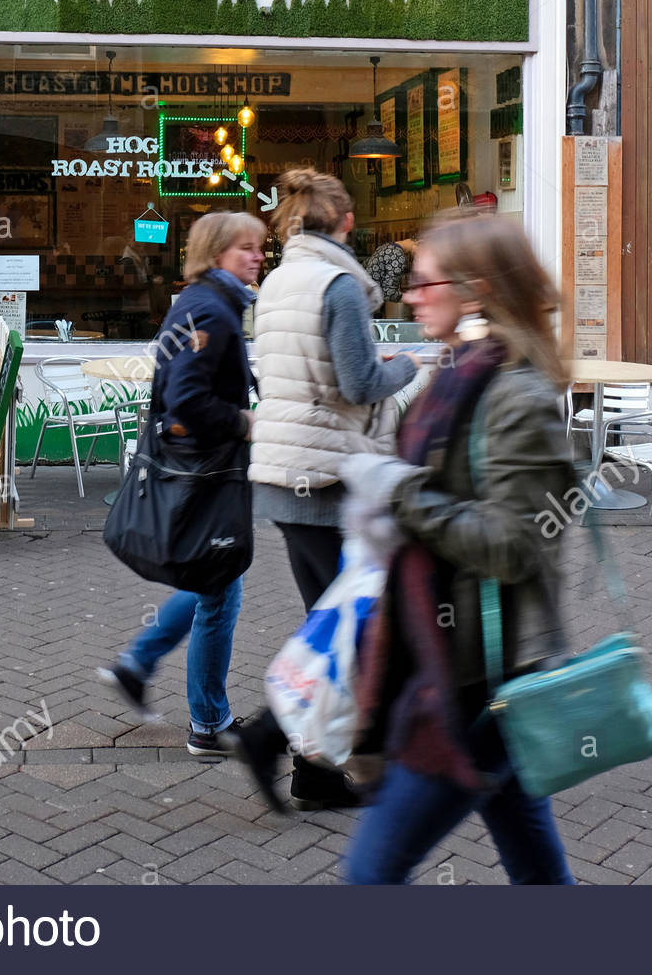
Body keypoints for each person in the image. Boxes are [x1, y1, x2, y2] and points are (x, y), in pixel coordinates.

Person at [343, 210, 577, 885]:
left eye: (422, 283)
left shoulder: (515, 397)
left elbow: (515, 544)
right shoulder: (457, 376)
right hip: (463, 655)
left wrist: (400, 492)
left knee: (368, 876)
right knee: (534, 861)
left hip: (478, 677)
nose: (409, 296)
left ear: (474, 290)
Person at [233, 169, 422, 812]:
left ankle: (316, 770)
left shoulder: (281, 279)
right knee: (358, 626)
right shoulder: (338, 285)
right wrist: (411, 364)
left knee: (339, 622)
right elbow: (359, 380)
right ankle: (277, 741)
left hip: (290, 473)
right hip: (332, 477)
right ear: (346, 222)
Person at [98, 209, 266, 756]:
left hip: (197, 468)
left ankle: (139, 663)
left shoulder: (200, 302)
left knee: (214, 582)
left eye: (260, 246)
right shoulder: (212, 312)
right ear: (218, 253)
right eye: (246, 248)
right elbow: (186, 400)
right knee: (219, 587)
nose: (258, 256)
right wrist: (242, 422)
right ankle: (208, 723)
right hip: (206, 472)